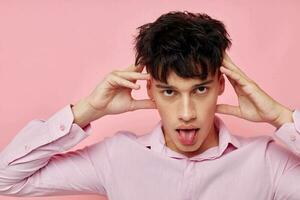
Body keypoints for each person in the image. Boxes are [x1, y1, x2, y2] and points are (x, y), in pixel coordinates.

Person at [0, 11, 299, 200]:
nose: (186, 113)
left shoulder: (266, 162)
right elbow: (7, 181)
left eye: (200, 89)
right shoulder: (116, 157)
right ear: (151, 90)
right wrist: (88, 110)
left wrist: (280, 117)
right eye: (169, 92)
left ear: (221, 85)